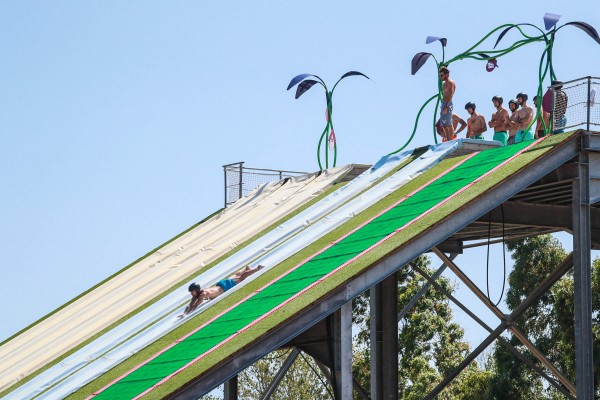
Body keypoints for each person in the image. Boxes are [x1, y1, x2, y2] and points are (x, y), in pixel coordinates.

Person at [182, 265, 265, 316]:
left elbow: (195, 305)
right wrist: (185, 312)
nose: (191, 294)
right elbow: (191, 303)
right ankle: (246, 269)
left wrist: (188, 313)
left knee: (241, 278)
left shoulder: (203, 294)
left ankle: (257, 268)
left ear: (196, 290)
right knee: (236, 276)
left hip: (225, 286)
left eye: (192, 292)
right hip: (220, 285)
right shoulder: (198, 293)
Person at [438, 66, 456, 142]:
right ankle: (448, 140)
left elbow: (451, 94)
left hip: (447, 104)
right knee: (444, 124)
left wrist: (446, 106)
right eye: (440, 76)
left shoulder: (450, 83)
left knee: (448, 123)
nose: (441, 77)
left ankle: (451, 140)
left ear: (446, 74)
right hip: (443, 104)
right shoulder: (444, 83)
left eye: (442, 75)